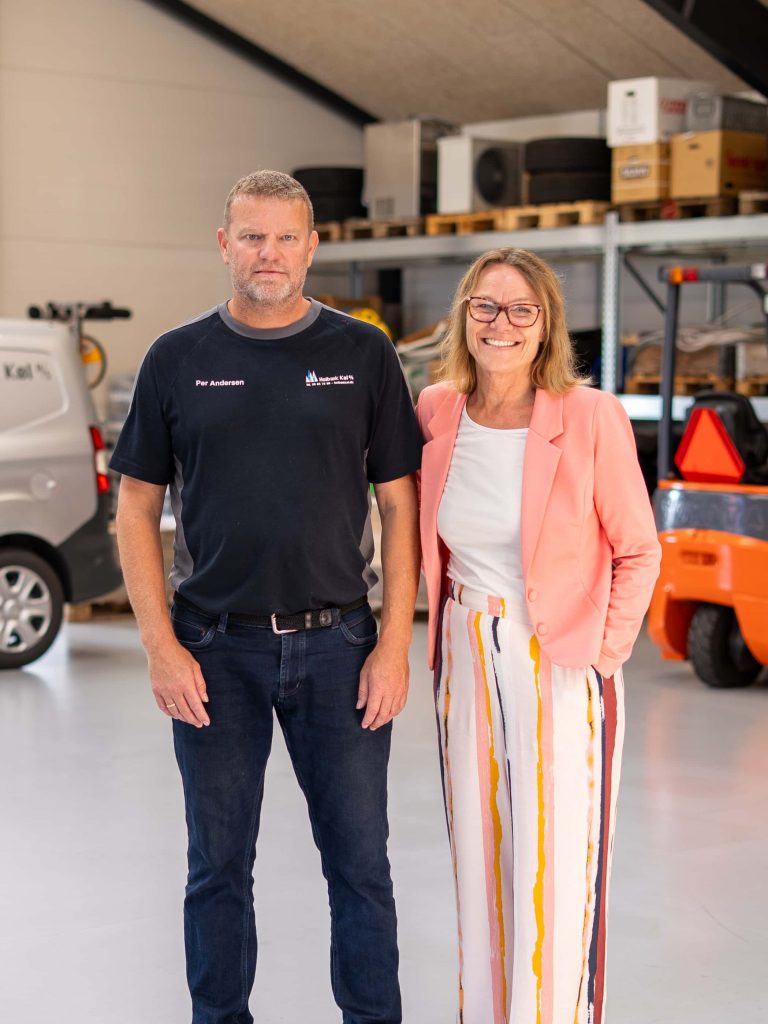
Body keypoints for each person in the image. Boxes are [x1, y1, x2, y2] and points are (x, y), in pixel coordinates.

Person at [110, 170, 422, 1024]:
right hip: (213, 650)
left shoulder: (363, 354)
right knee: (217, 867)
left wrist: (395, 645)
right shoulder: (177, 358)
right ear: (225, 245)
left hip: (341, 648)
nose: (269, 254)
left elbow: (401, 505)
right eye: (252, 236)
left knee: (360, 866)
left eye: (286, 237)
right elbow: (134, 506)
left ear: (312, 246)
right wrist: (160, 647)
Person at [415, 247, 661, 1024]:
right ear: (464, 316)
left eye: (523, 309)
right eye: (486, 306)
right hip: (463, 651)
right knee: (479, 861)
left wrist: (602, 657)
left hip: (558, 657)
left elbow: (639, 549)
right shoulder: (437, 410)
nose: (503, 323)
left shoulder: (590, 417)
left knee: (557, 870)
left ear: (546, 323)